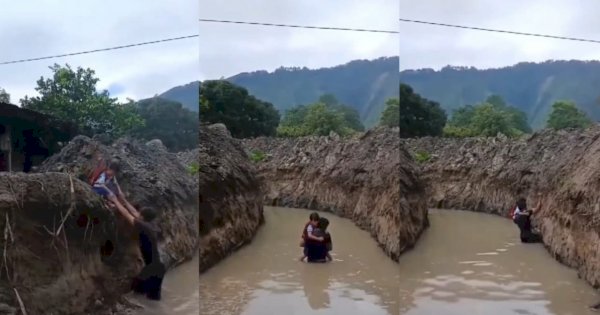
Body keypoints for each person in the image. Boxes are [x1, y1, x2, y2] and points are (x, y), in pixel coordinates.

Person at [112, 202, 166, 300]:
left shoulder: (143, 227)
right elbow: (133, 211)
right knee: (154, 299)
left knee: (137, 292)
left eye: (139, 214)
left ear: (143, 217)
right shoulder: (152, 226)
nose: (137, 214)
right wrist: (121, 198)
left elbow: (126, 214)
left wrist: (115, 200)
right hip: (160, 268)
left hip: (151, 268)